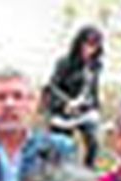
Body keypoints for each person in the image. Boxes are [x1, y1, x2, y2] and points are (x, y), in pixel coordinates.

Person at [45, 26, 105, 167]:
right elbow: (52, 87)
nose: (90, 49)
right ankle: (63, 174)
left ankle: (88, 172)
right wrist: (66, 103)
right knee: (63, 147)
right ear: (79, 43)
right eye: (87, 44)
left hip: (85, 110)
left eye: (94, 45)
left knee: (94, 142)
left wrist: (96, 106)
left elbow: (93, 89)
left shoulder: (95, 65)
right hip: (64, 111)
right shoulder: (64, 62)